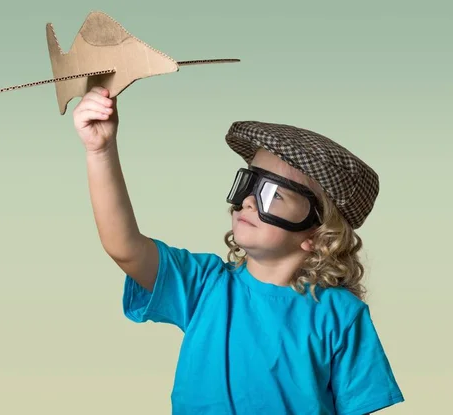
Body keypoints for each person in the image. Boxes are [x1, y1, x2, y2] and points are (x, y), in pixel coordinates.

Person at [72, 86, 404, 414]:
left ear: (317, 234)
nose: (248, 200)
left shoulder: (341, 315)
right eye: (250, 184)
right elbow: (123, 247)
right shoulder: (203, 285)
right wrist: (100, 151)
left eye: (273, 193)